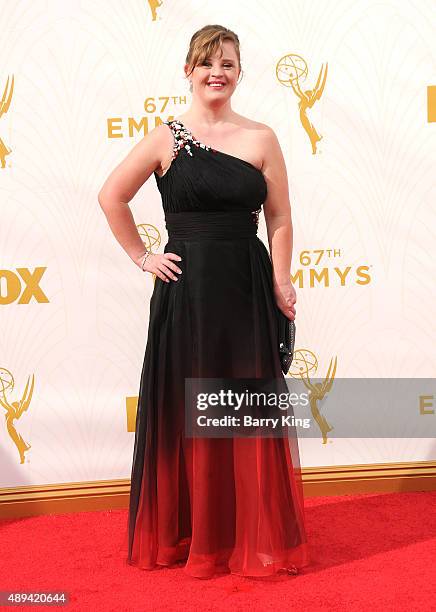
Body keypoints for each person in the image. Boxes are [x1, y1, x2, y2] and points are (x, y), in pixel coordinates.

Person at [98, 24, 310, 579]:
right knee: (191, 412)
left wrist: (281, 280)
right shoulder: (165, 137)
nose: (218, 72)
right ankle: (197, 536)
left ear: (240, 73)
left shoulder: (261, 137)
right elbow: (111, 196)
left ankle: (247, 532)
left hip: (245, 287)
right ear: (189, 71)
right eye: (207, 63)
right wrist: (144, 257)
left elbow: (280, 218)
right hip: (187, 295)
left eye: (229, 63)